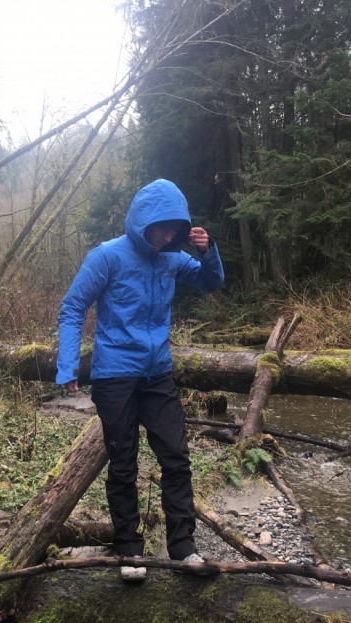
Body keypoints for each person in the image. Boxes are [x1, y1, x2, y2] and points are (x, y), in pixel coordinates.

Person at [56, 179, 225, 582]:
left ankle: (183, 548)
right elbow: (73, 307)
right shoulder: (107, 257)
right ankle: (129, 551)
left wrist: (207, 252)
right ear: (143, 220)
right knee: (123, 462)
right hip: (114, 374)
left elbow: (210, 281)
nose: (169, 236)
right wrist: (67, 367)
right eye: (163, 227)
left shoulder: (172, 258)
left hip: (157, 373)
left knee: (176, 456)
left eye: (175, 230)